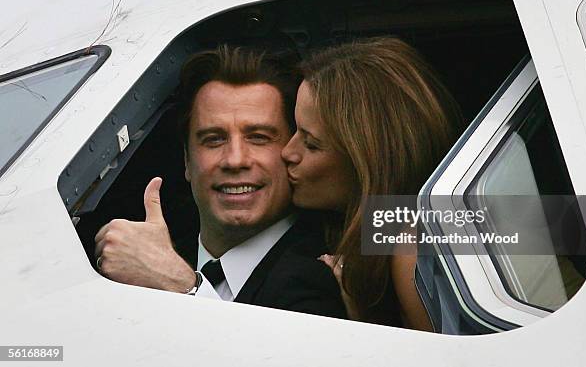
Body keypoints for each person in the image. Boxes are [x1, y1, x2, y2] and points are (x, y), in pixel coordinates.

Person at [94, 44, 346, 318]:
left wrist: (185, 288)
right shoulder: (143, 261)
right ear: (187, 161)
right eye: (213, 139)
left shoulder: (332, 272)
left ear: (293, 151)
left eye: (259, 137)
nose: (235, 160)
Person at [281, 36, 462, 328]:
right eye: (294, 131)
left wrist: (365, 325)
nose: (287, 153)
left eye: (311, 144)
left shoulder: (413, 249)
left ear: (367, 162)